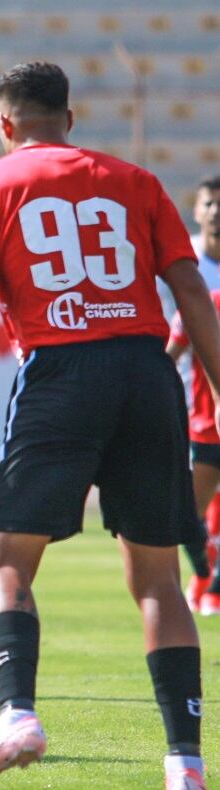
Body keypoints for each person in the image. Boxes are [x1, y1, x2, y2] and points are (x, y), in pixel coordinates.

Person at [0, 62, 220, 790]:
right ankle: (185, 767)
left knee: (6, 556)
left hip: (59, 373)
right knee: (157, 578)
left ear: (4, 124)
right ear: (70, 117)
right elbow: (191, 289)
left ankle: (17, 716)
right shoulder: (135, 181)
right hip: (146, 372)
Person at [165, 176, 220, 614]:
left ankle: (212, 584)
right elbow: (174, 341)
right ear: (198, 210)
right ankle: (203, 574)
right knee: (188, 514)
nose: (216, 212)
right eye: (210, 204)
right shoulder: (182, 262)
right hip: (198, 410)